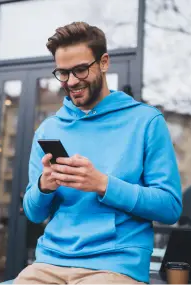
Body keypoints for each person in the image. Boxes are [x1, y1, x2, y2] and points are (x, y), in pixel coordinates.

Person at [14, 22, 182, 285]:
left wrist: (103, 184)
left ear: (103, 62)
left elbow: (170, 207)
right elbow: (33, 214)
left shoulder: (146, 122)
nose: (71, 82)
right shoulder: (48, 130)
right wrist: (44, 186)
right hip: (50, 263)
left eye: (80, 70)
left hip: (114, 266)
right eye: (63, 73)